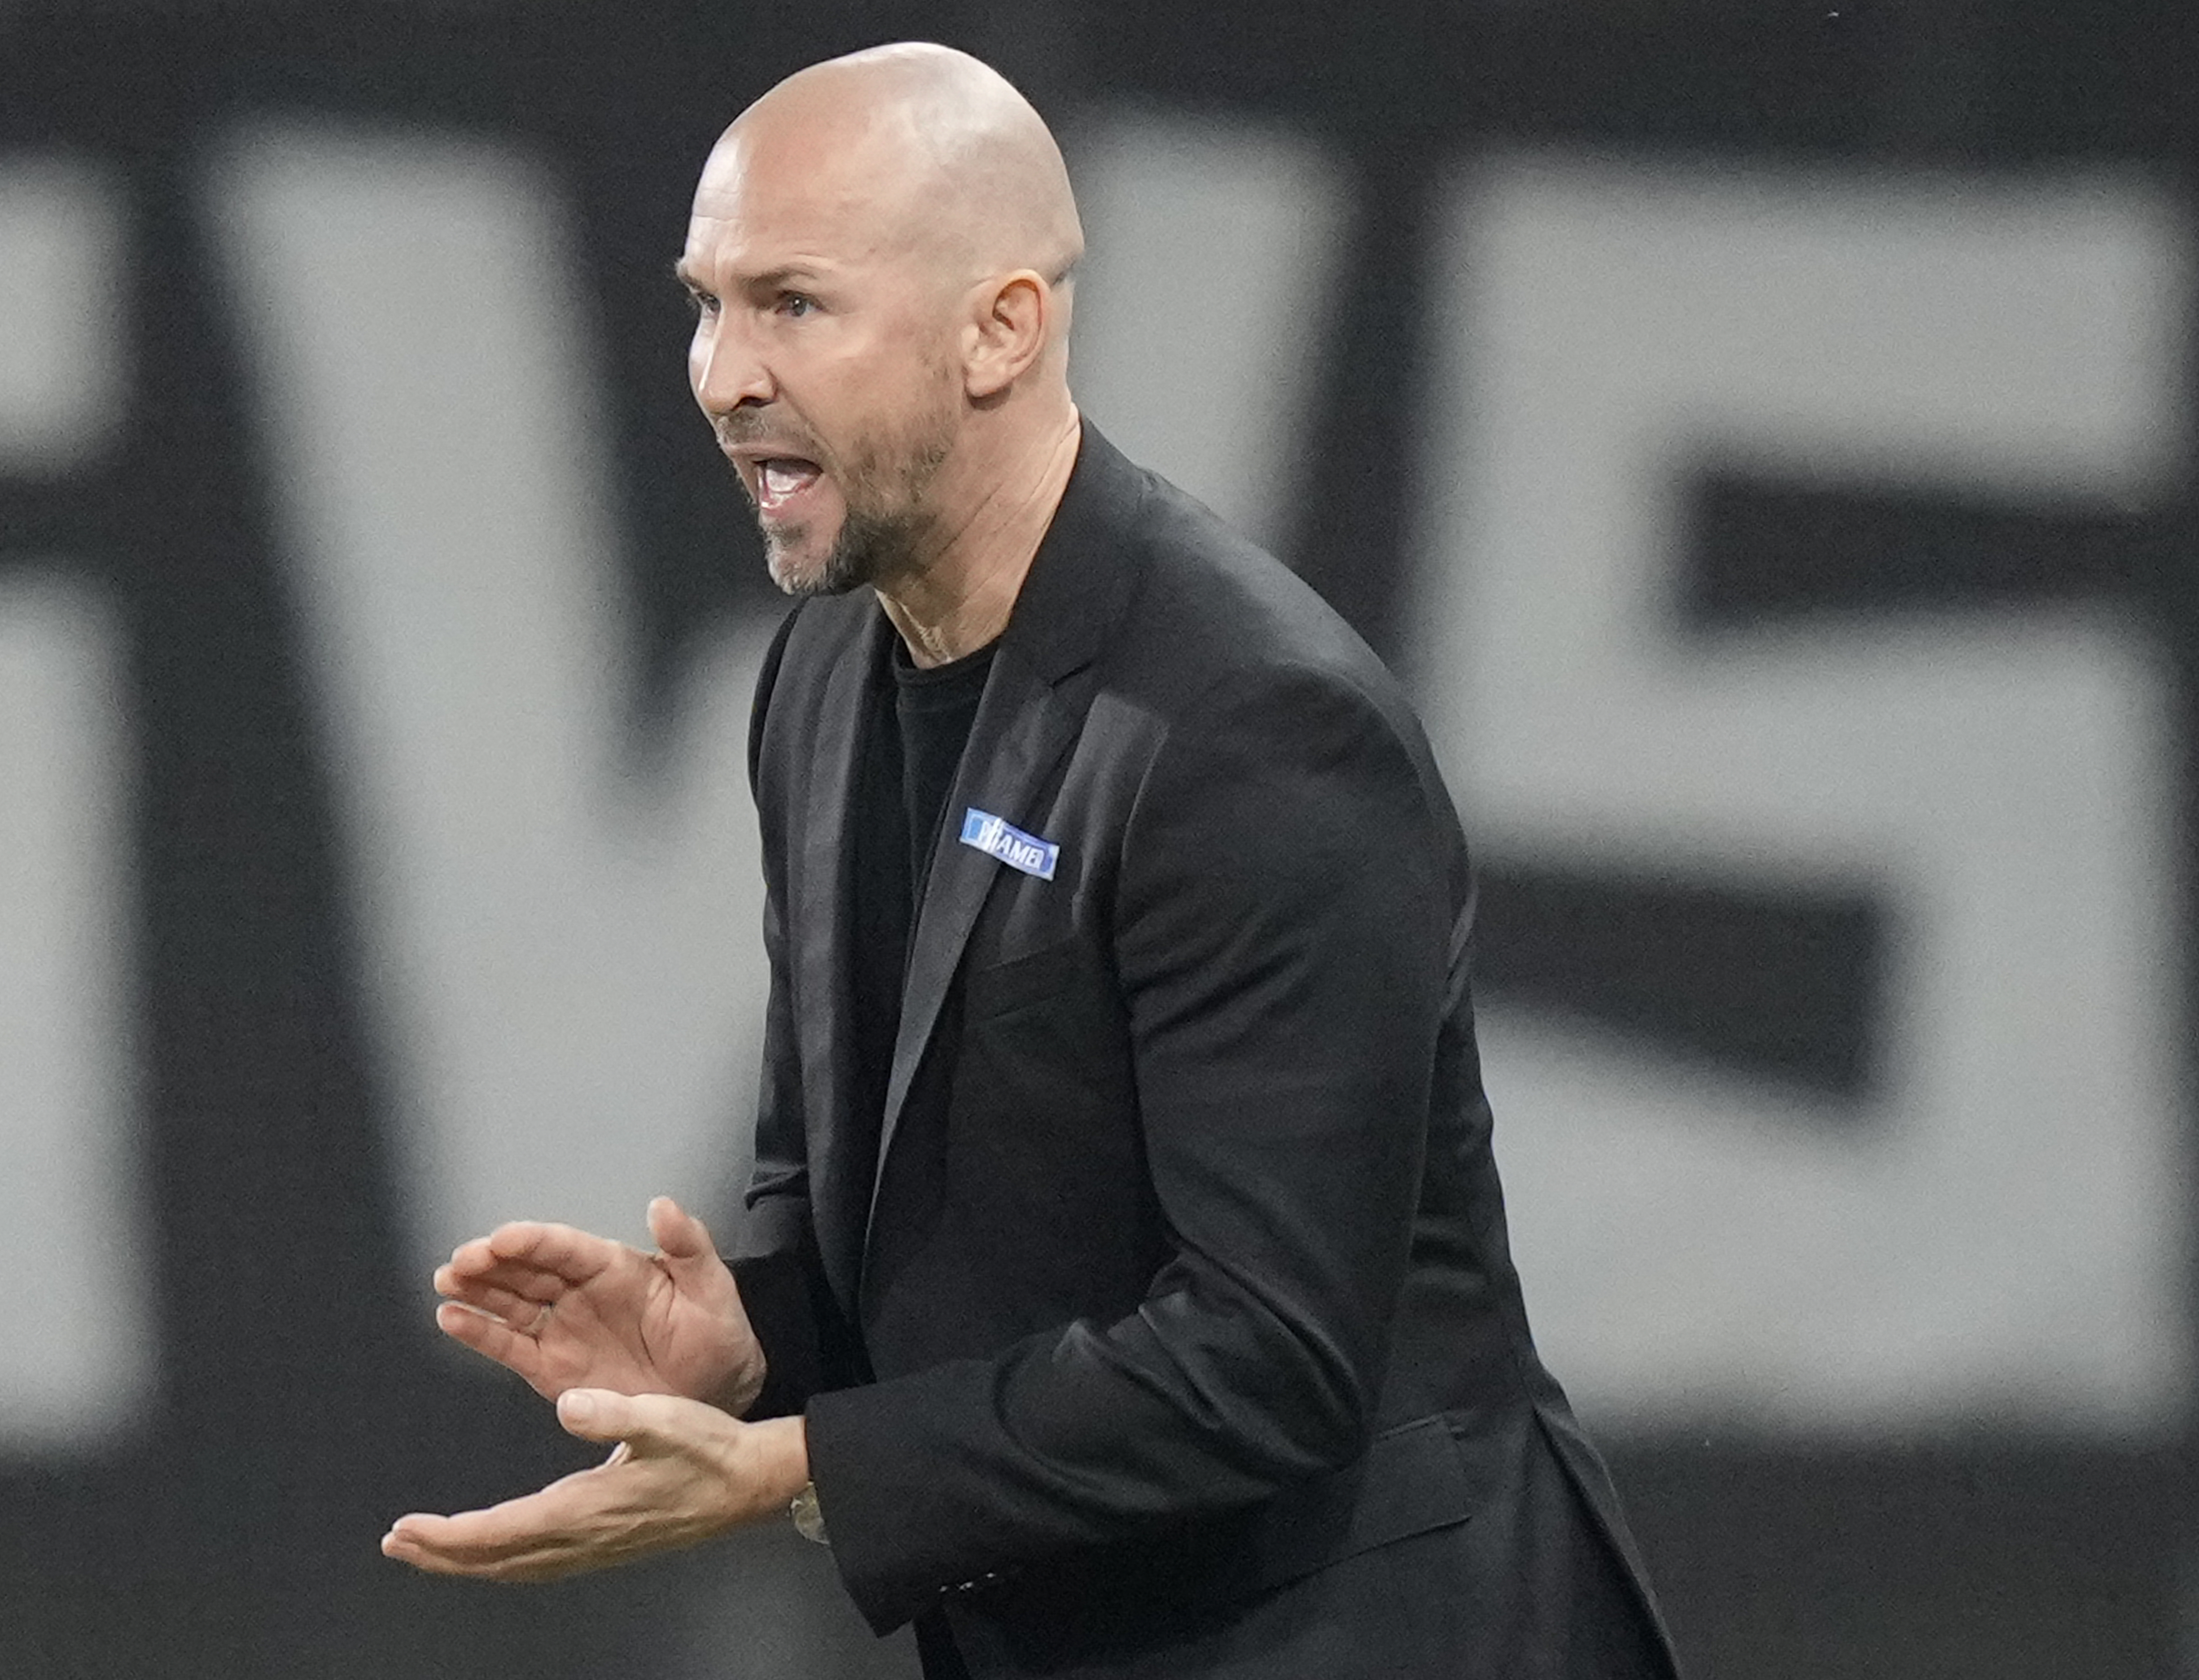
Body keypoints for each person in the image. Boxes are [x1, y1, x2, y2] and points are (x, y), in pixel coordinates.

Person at [381, 40, 1682, 1680]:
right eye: (707, 305)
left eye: (794, 303)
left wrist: (792, 1471)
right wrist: (743, 1346)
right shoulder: (821, 677)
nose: (722, 374)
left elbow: (1270, 1356)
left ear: (1001, 328)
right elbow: (870, 1202)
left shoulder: (1251, 724)